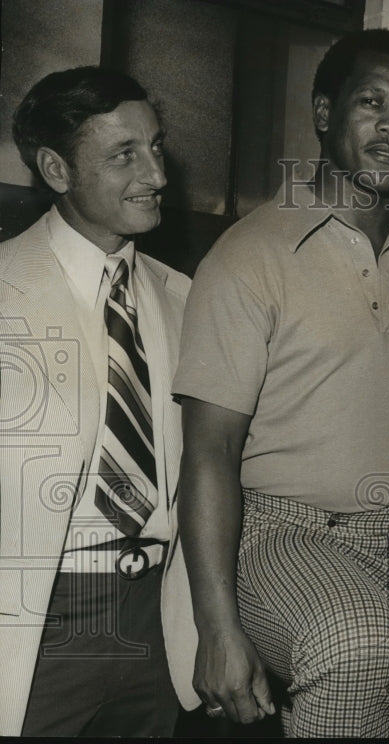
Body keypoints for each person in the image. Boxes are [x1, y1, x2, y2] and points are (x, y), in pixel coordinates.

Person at [172, 29, 389, 737]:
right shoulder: (249, 256)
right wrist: (216, 630)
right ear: (324, 114)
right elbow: (208, 452)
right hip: (285, 535)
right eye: (371, 101)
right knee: (352, 640)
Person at [0, 66, 197, 736]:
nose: (156, 175)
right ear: (56, 169)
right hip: (35, 622)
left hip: (159, 618)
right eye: (124, 156)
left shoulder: (187, 299)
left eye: (156, 147)